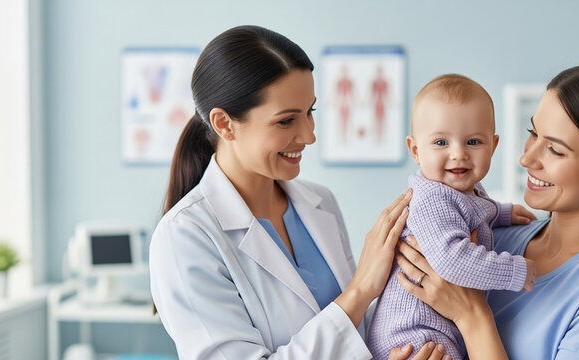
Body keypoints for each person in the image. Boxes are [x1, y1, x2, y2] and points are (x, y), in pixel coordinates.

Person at [148, 25, 448, 360]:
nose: (308, 135)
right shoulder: (185, 236)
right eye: (286, 121)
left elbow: (354, 341)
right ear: (224, 124)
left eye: (310, 112)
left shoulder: (321, 203)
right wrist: (361, 290)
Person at [396, 59, 579, 359]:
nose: (527, 159)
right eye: (533, 133)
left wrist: (472, 314)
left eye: (555, 149)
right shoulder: (493, 236)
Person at [367, 74, 538, 360]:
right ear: (415, 150)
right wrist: (514, 271)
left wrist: (503, 212)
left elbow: (474, 211)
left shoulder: (460, 192)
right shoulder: (433, 198)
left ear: (493, 146)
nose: (458, 154)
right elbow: (452, 260)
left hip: (433, 327)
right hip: (413, 336)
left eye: (473, 141)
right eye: (441, 142)